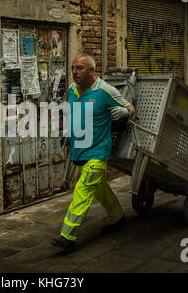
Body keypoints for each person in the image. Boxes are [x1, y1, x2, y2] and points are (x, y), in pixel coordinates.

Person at [51, 54, 135, 252]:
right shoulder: (72, 90)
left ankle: (67, 236)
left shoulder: (105, 90)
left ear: (91, 71)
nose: (74, 72)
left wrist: (125, 112)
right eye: (73, 68)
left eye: (79, 68)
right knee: (99, 188)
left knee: (83, 190)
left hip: (98, 151)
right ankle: (117, 218)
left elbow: (130, 107)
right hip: (80, 150)